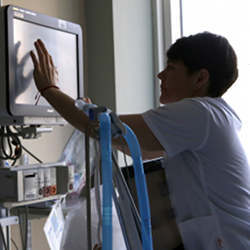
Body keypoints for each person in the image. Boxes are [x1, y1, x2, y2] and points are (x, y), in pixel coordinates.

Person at [30, 31, 250, 250]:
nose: (160, 75)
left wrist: (49, 90)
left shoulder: (201, 114)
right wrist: (87, 113)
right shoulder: (211, 119)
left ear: (200, 78)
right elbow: (137, 147)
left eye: (171, 68)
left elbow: (106, 130)